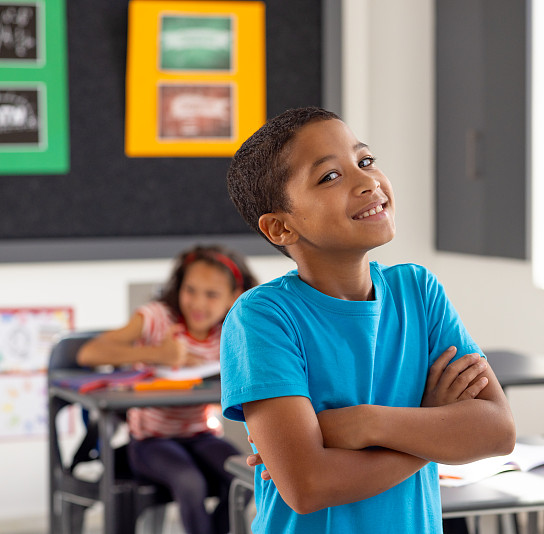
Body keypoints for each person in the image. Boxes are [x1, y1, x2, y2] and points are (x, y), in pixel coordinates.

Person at [220, 106, 516, 534]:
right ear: (280, 228)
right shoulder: (262, 318)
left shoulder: (418, 290)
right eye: (330, 177)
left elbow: (497, 431)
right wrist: (429, 424)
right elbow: (308, 486)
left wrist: (365, 423)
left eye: (365, 161)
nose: (367, 182)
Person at [77, 244, 258, 534]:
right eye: (191, 290)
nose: (198, 303)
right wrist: (157, 354)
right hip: (150, 441)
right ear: (179, 286)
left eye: (211, 295)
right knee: (190, 483)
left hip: (201, 435)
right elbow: (90, 353)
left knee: (247, 476)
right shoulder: (157, 318)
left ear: (233, 297)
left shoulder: (230, 328)